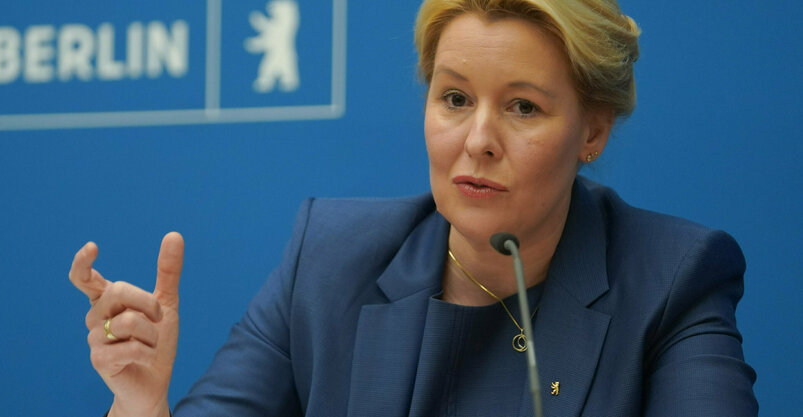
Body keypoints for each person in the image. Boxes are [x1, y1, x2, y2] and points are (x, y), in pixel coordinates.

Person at [69, 0, 759, 415]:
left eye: (522, 107)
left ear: (593, 130)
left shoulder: (671, 280)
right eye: (455, 98)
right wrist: (139, 402)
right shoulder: (329, 261)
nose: (478, 140)